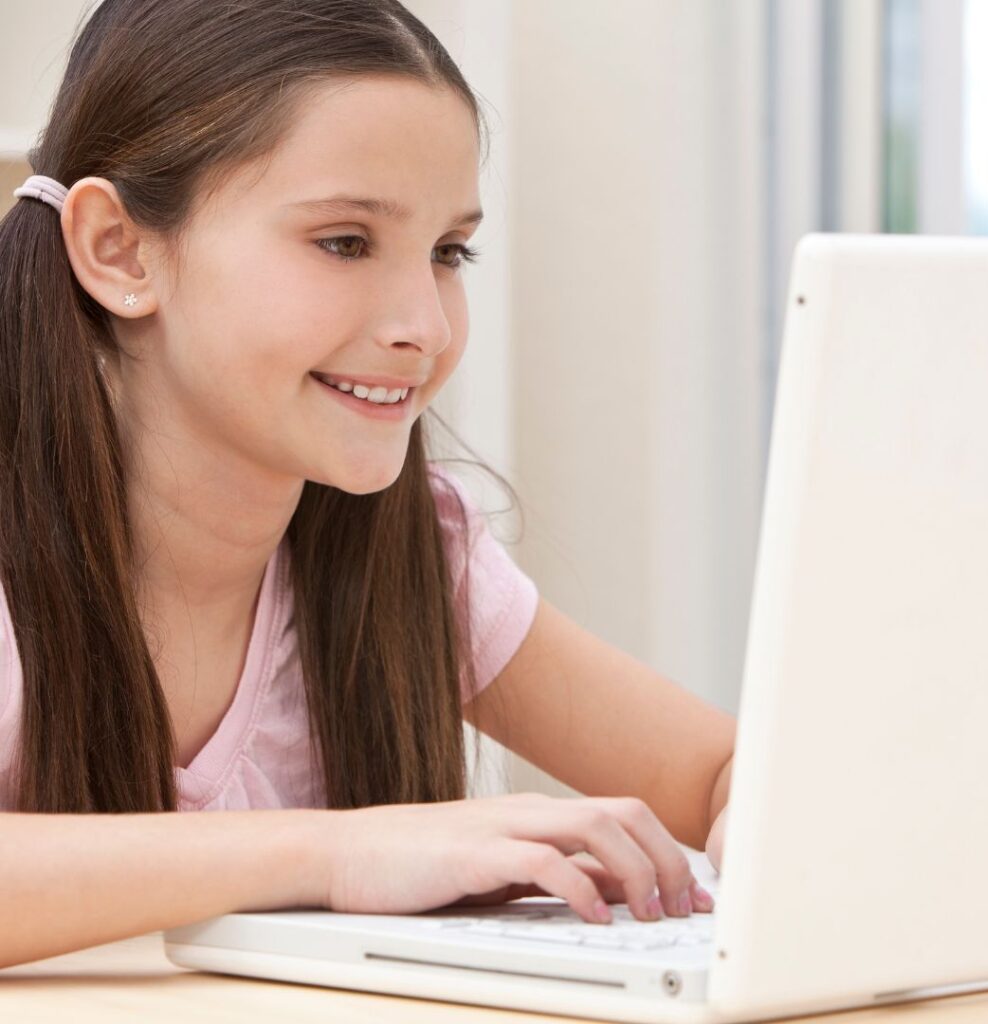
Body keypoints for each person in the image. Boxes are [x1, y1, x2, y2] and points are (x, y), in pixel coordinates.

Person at [0, 0, 734, 968]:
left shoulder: (418, 556)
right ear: (119, 250)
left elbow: (732, 774)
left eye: (447, 252)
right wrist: (341, 851)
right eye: (344, 242)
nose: (423, 326)